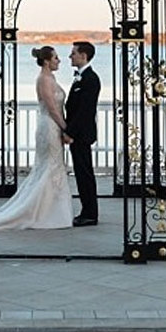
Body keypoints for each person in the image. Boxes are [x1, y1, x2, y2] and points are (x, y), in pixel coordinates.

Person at [0, 46, 73, 230]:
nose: (59, 61)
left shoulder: (51, 77)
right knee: (49, 167)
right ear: (46, 61)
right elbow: (52, 108)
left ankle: (52, 208)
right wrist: (66, 129)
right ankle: (41, 211)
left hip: (54, 126)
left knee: (54, 166)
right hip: (49, 126)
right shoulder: (43, 79)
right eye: (56, 58)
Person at [65, 41, 101, 227]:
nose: (70, 56)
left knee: (84, 174)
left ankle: (90, 213)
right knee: (81, 173)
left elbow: (84, 111)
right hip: (78, 134)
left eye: (73, 53)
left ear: (83, 56)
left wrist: (69, 132)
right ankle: (88, 210)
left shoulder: (90, 79)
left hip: (81, 135)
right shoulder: (81, 77)